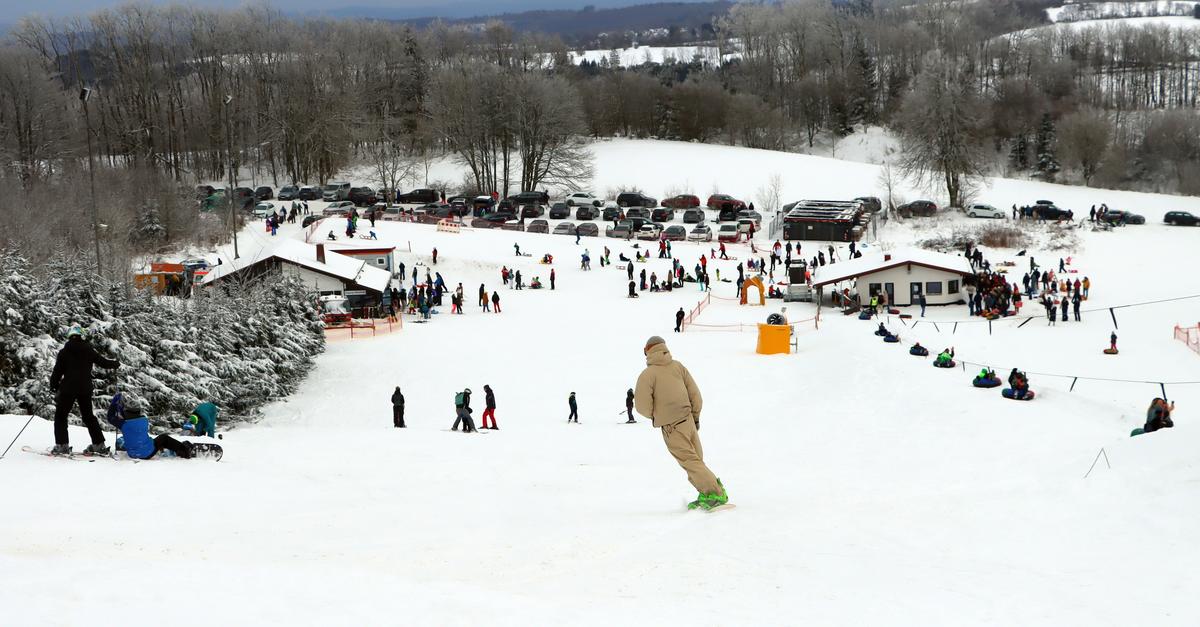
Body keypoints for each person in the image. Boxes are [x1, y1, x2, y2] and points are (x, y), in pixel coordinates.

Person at [635, 336, 726, 511]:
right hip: (689, 420)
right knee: (696, 460)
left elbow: (641, 406)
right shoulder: (678, 366)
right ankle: (708, 492)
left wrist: (657, 415)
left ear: (647, 350)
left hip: (671, 426)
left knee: (690, 461)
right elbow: (695, 395)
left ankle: (715, 494)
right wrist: (695, 417)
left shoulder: (648, 375)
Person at [49, 326, 120, 455]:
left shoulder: (64, 352)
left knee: (61, 416)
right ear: (82, 336)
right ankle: (99, 445)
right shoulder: (89, 350)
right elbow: (102, 362)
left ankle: (62, 445)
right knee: (88, 416)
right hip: (85, 388)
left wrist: (53, 385)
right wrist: (114, 364)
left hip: (68, 389)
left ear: (70, 336)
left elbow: (58, 371)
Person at [105, 393, 196, 460]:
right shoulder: (144, 420)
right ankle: (185, 451)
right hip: (147, 452)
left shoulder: (123, 424)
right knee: (164, 438)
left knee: (130, 438)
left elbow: (110, 417)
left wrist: (114, 404)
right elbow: (129, 418)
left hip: (132, 454)